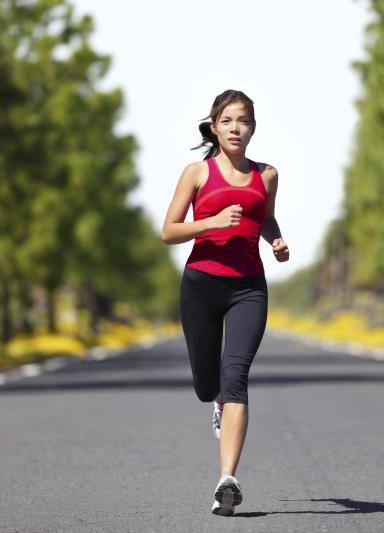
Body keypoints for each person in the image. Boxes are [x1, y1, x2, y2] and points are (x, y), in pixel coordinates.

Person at [161, 89, 289, 516]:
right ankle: (215, 401)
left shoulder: (266, 174)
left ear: (253, 127)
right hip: (201, 285)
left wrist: (275, 239)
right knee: (206, 384)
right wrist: (210, 222)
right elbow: (169, 231)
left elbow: (264, 214)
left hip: (248, 288)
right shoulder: (197, 173)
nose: (237, 128)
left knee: (236, 376)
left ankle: (226, 480)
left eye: (245, 121)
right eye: (229, 121)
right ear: (215, 127)